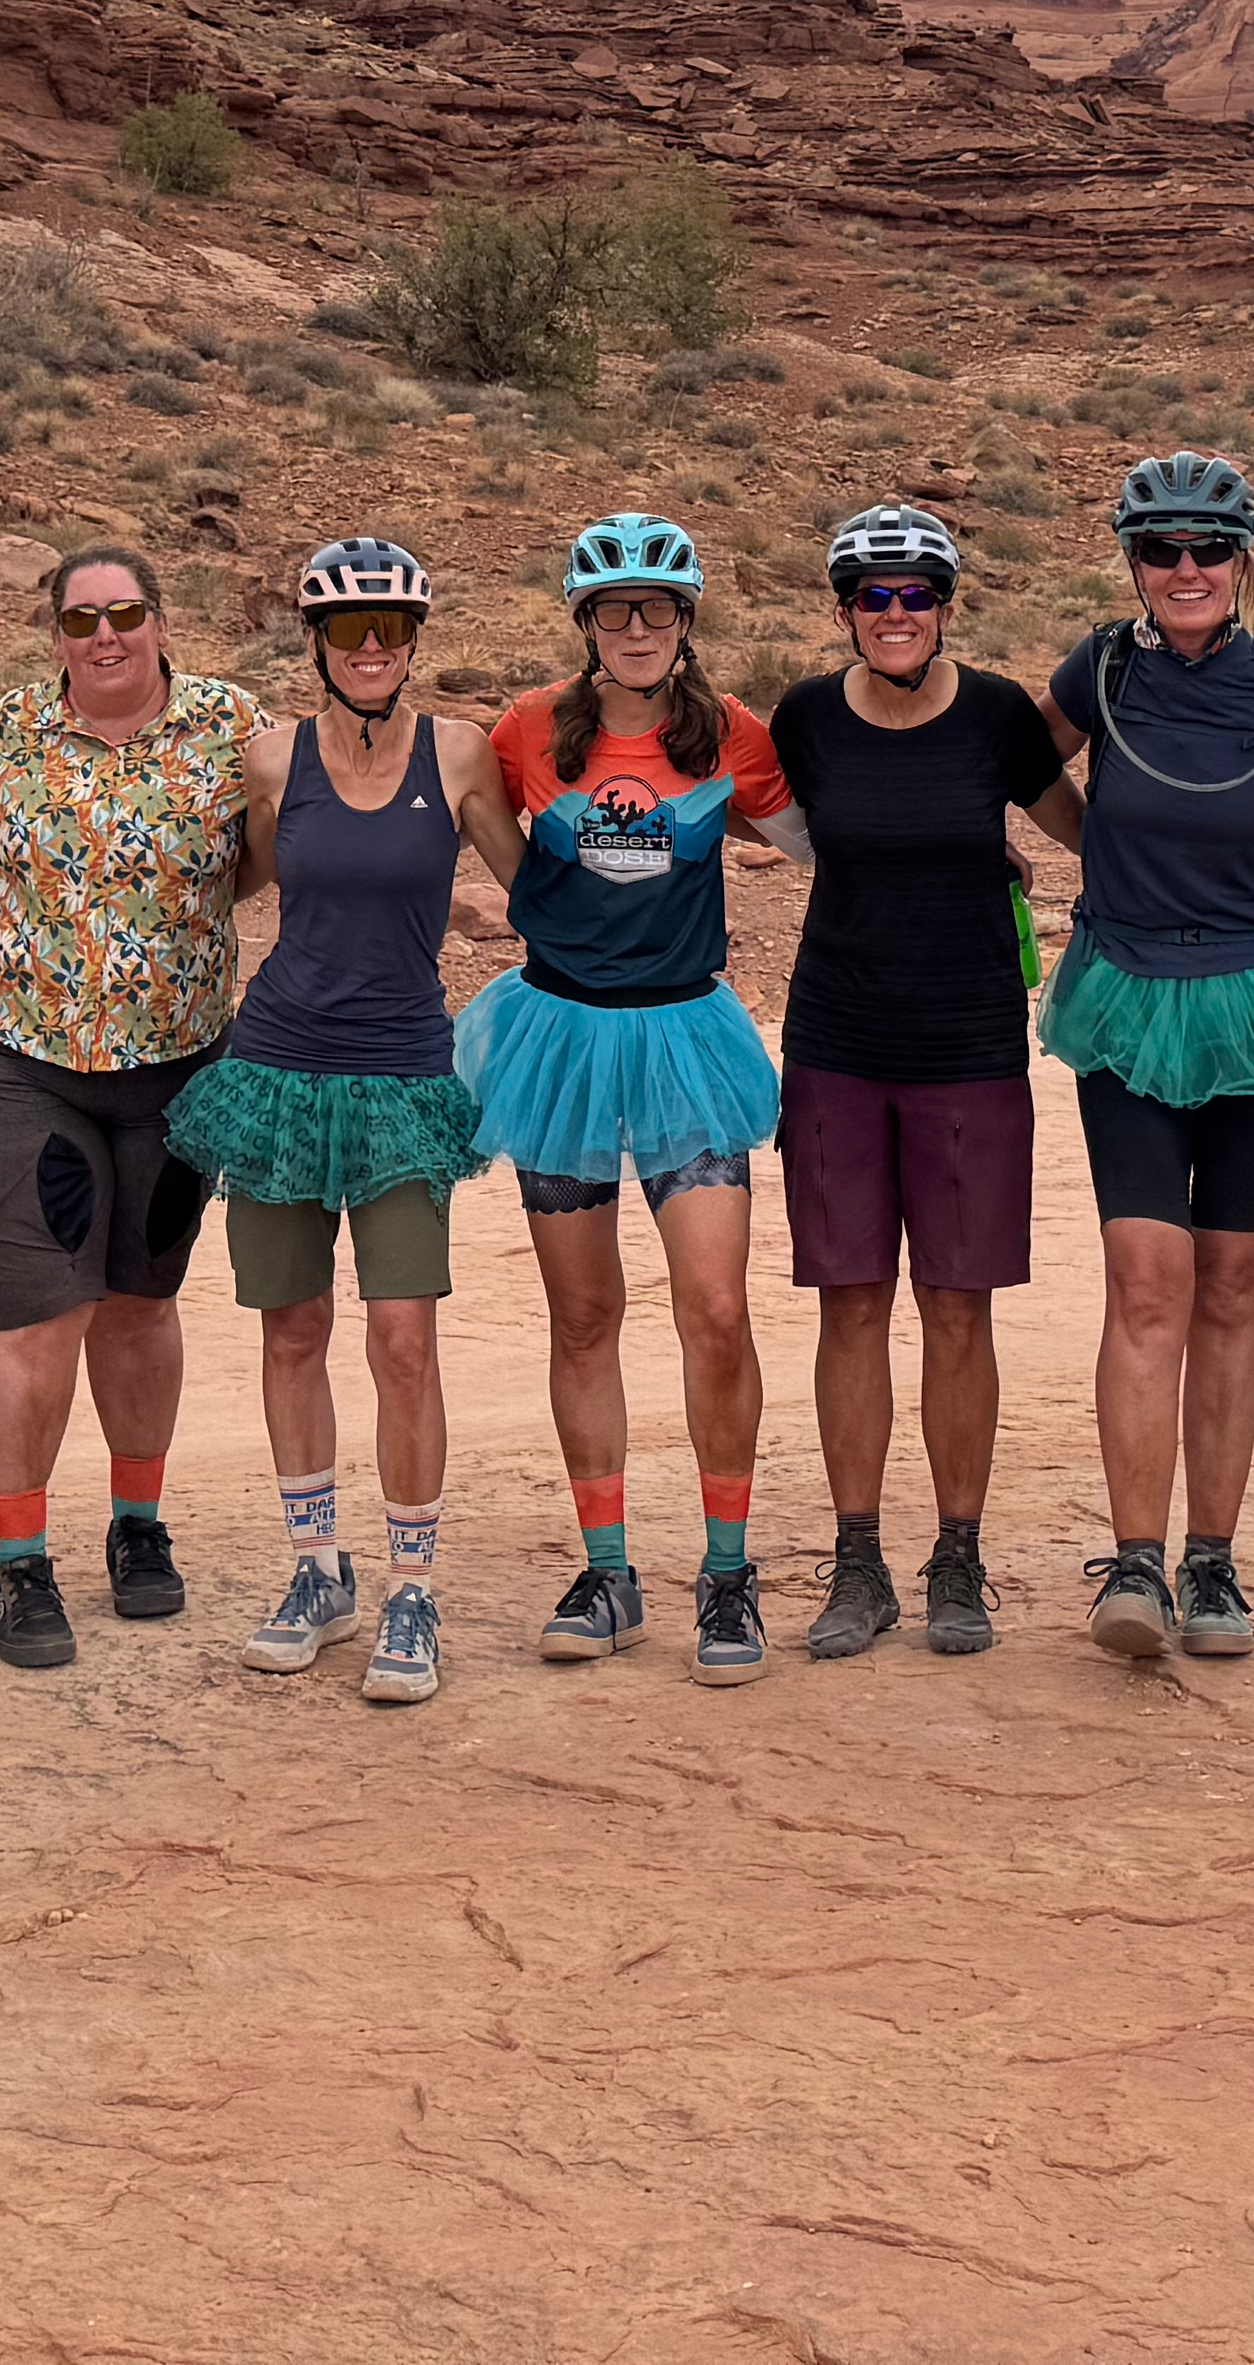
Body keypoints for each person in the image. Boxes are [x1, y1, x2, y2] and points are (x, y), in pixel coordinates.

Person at [176, 536, 521, 1707]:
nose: (371, 649)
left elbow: (538, 892)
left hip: (404, 1073)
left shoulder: (462, 755)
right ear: (317, 645)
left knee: (404, 1339)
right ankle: (317, 1571)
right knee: (290, 1331)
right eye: (347, 631)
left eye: (391, 630)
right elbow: (236, 884)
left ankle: (412, 1586)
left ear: (415, 641)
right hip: (277, 1065)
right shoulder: (271, 759)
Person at [466, 515, 809, 1683]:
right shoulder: (525, 732)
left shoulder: (734, 738)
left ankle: (726, 1571)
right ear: (585, 622)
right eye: (613, 609)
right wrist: (530, 902)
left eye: (657, 609)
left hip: (685, 1036)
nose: (636, 629)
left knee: (715, 1307)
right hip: (556, 1035)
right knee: (584, 1316)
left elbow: (817, 843)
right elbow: (468, 804)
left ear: (687, 622)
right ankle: (609, 1569)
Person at [1041, 451, 1254, 1665]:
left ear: (1242, 560)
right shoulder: (1102, 668)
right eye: (1160, 550)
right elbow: (1028, 765)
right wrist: (1097, 846)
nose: (1185, 570)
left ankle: (1213, 1564)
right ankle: (1134, 1562)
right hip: (1125, 998)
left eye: (1207, 550)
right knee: (1147, 1285)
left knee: (1230, 1289)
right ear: (1131, 561)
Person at [766, 500, 1076, 1661]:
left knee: (958, 1305)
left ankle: (958, 1556)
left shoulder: (999, 716)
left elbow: (1090, 829)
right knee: (851, 1304)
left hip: (971, 1049)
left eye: (915, 597)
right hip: (838, 1042)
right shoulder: (805, 717)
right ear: (845, 608)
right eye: (871, 597)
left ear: (947, 607)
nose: (893, 616)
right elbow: (779, 825)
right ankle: (857, 1561)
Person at [0, 544, 265, 1671]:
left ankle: (138, 1523)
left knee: (140, 1301)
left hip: (174, 1064)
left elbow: (257, 864)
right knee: (35, 1307)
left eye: (123, 614)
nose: (104, 637)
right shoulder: (12, 733)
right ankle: (20, 1559)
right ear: (54, 638)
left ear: (161, 621)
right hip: (16, 1056)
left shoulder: (232, 726)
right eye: (79, 621)